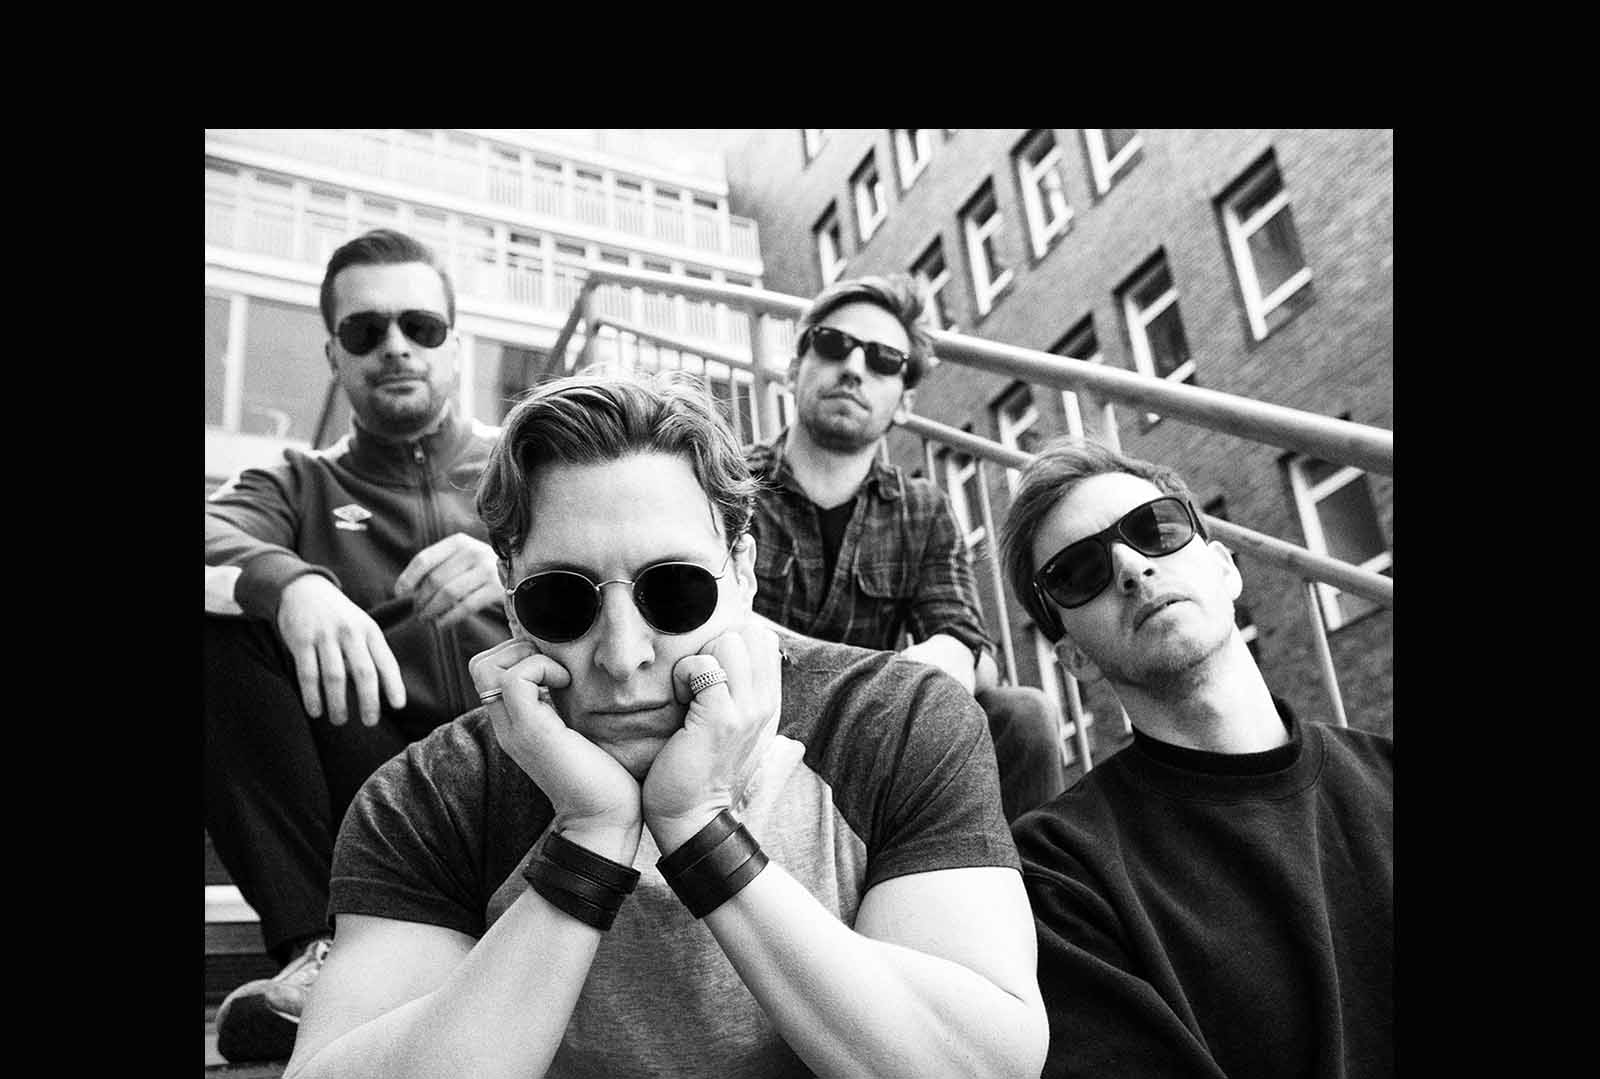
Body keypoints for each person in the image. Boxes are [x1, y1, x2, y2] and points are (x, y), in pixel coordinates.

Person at [283, 370, 1048, 1079]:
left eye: (674, 590)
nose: (623, 655)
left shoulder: (893, 722)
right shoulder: (433, 793)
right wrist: (589, 838)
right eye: (563, 598)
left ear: (742, 572)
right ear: (510, 596)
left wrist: (700, 826)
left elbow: (979, 1064)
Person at [998, 436, 1394, 1078]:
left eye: (1155, 529)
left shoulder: (1387, 779)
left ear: (1226, 569)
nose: (1131, 567)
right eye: (1078, 572)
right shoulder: (1060, 876)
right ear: (1073, 659)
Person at [204, 228, 509, 1061]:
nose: (396, 347)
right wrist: (291, 585)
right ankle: (321, 952)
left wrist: (519, 572)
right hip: (373, 775)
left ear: (455, 344)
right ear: (333, 354)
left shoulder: (532, 462)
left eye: (421, 326)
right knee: (217, 626)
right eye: (366, 331)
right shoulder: (298, 481)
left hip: (530, 758)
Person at [744, 273, 1065, 822]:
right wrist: (876, 672)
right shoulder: (727, 483)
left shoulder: (923, 510)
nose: (854, 368)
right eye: (832, 344)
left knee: (1021, 716)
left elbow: (968, 650)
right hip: (746, 730)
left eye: (884, 359)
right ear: (794, 369)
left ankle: (1029, 881)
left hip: (871, 742)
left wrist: (932, 661)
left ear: (904, 404)